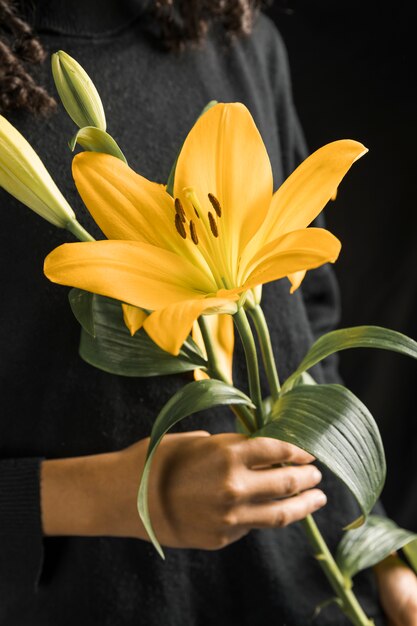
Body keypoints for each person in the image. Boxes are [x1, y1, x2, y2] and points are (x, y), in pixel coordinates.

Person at [0, 1, 416, 624]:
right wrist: (110, 496)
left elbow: (306, 323)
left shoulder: (233, 34)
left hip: (315, 592)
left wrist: (377, 545)